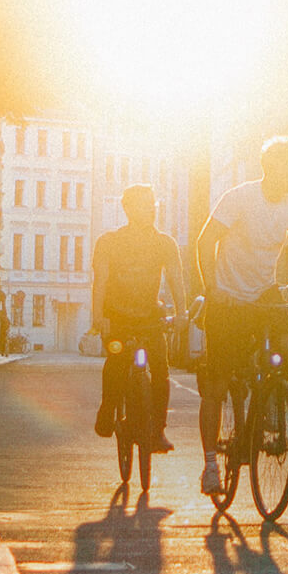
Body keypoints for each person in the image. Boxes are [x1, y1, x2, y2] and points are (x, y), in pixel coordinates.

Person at [195, 136, 288, 495]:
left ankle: (269, 399)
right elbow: (205, 241)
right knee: (216, 384)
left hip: (263, 291)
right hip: (227, 297)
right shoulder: (239, 198)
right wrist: (212, 289)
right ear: (274, 168)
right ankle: (210, 463)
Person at [91, 185, 187, 453]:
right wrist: (99, 316)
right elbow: (100, 281)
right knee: (117, 361)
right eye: (144, 205)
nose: (151, 210)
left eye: (152, 205)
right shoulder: (109, 242)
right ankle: (108, 407)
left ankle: (157, 431)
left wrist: (182, 313)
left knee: (160, 371)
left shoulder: (165, 243)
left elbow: (176, 280)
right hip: (117, 316)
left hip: (150, 316)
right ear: (128, 209)